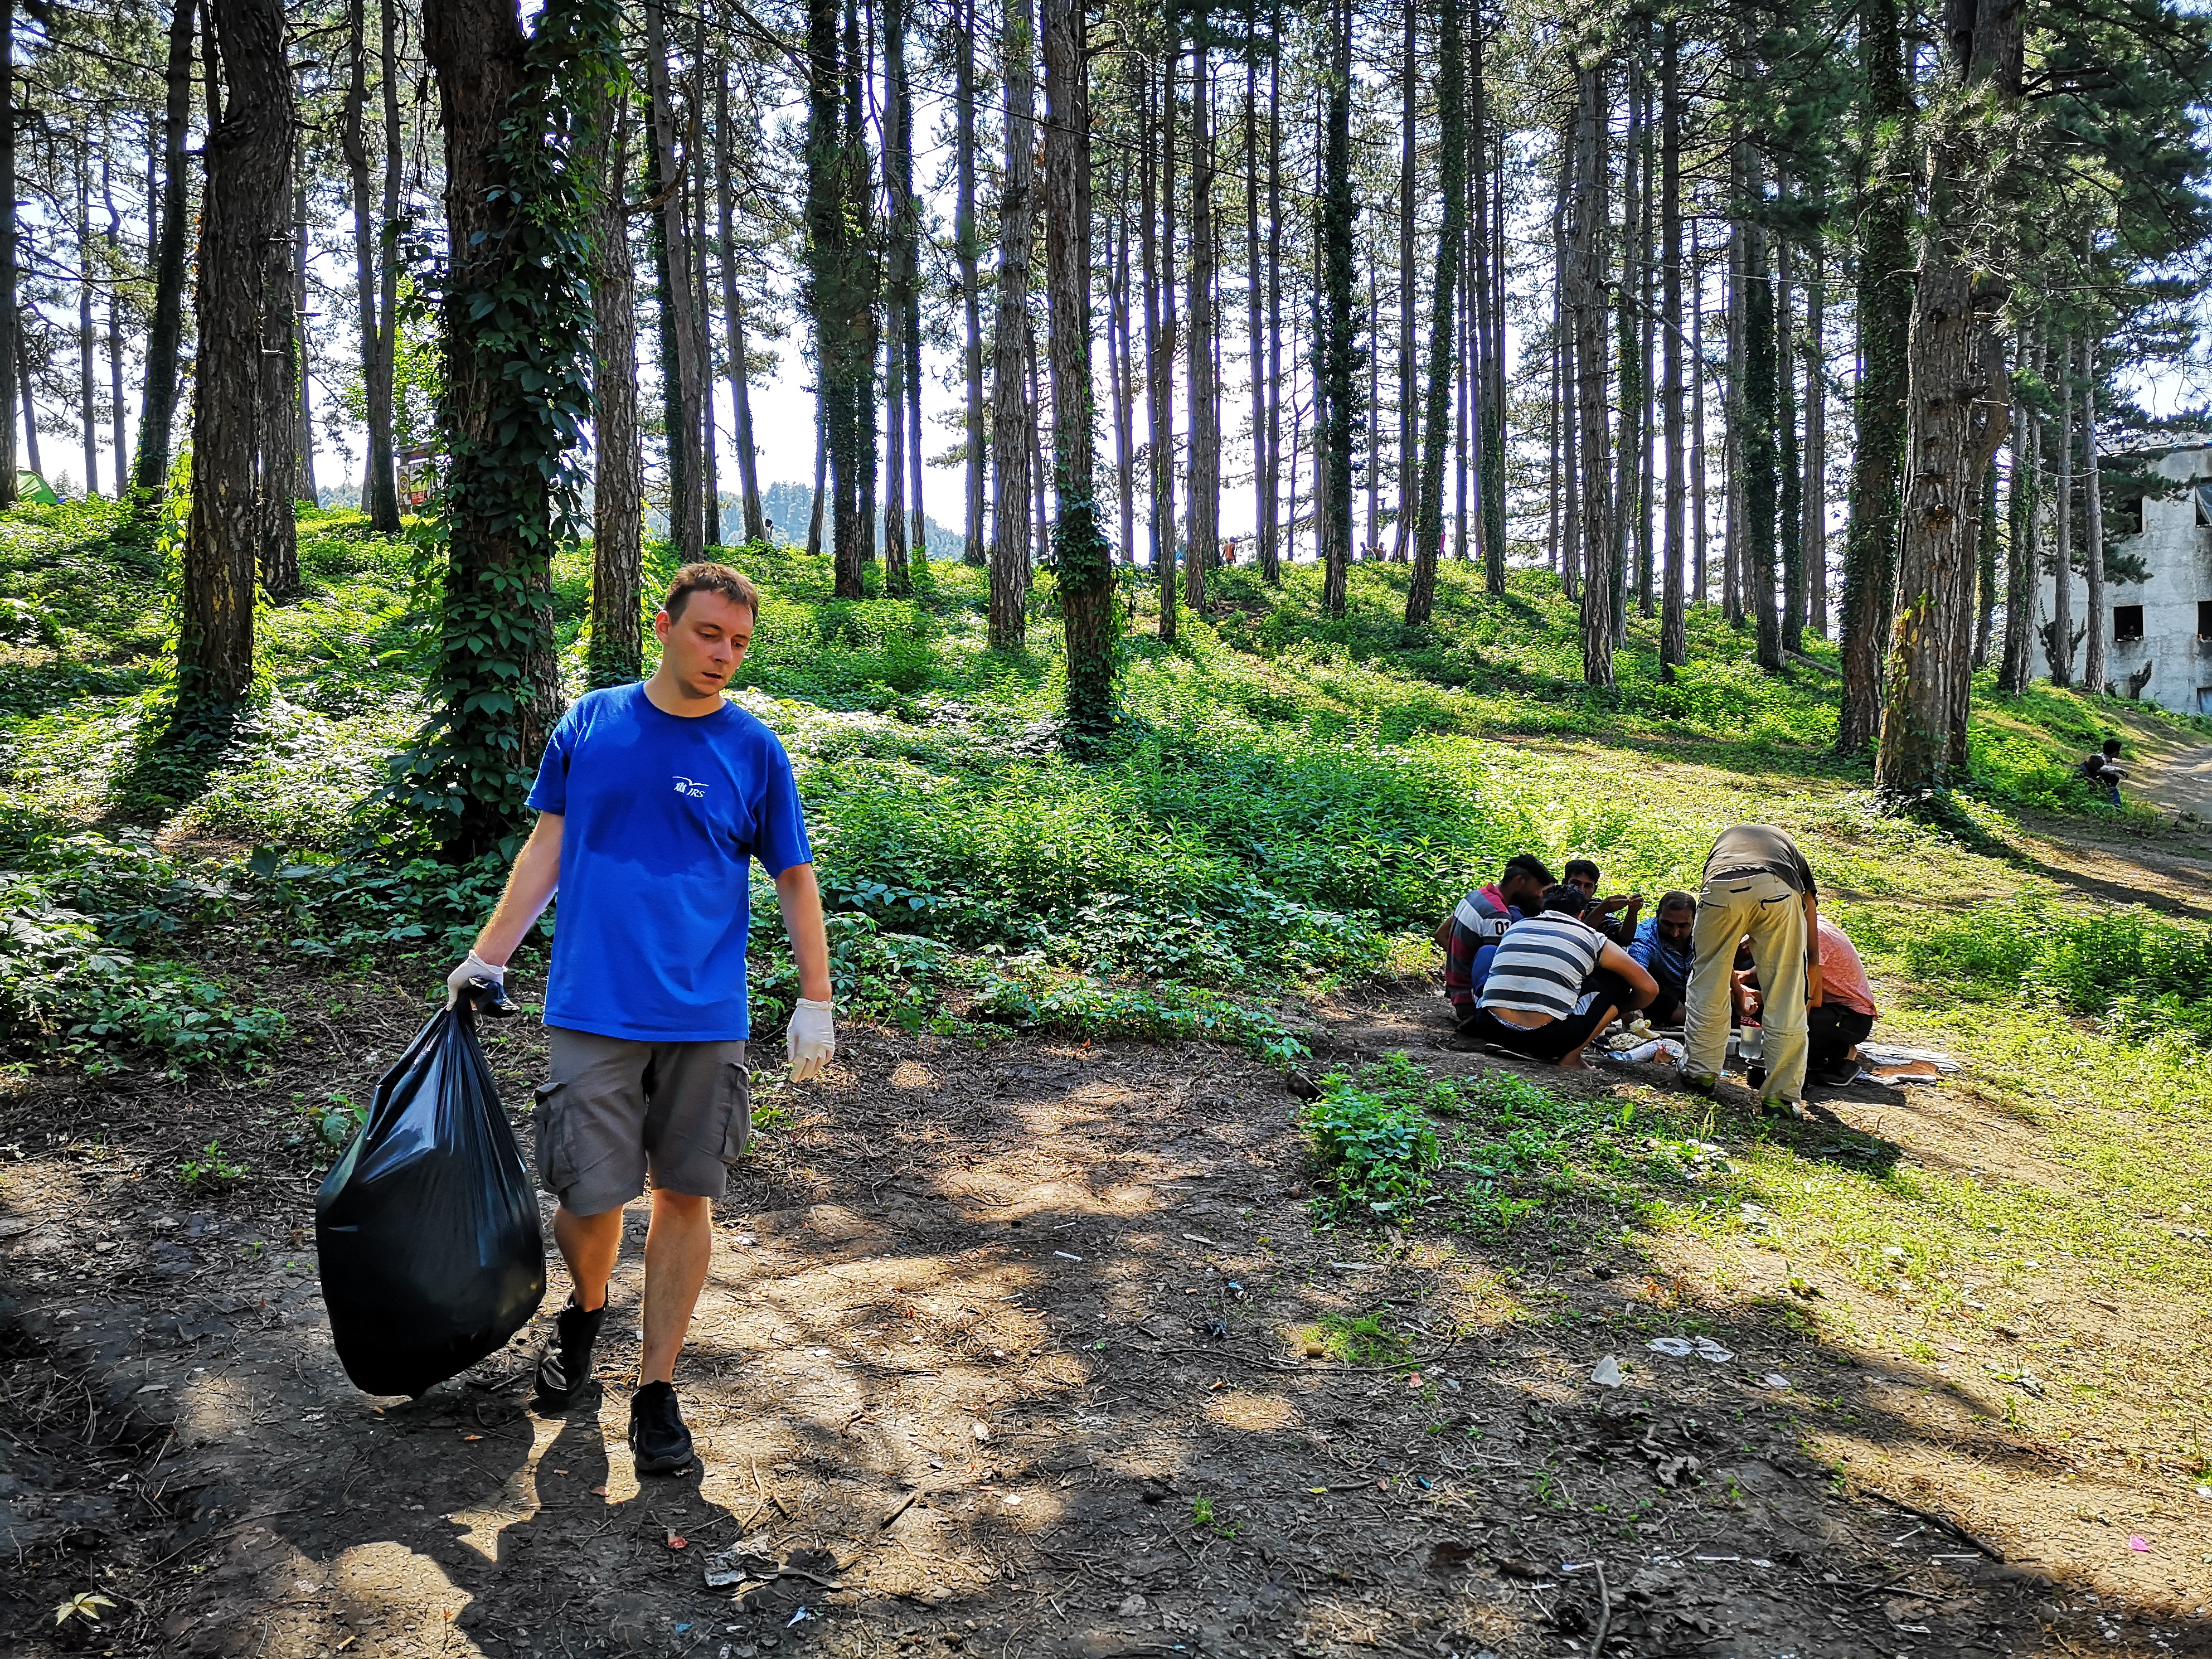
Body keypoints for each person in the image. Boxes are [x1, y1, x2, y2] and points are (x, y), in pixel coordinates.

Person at [443, 562, 837, 1477]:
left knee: (685, 1195)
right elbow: (546, 845)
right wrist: (487, 954)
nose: (723, 656)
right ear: (663, 625)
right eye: (708, 635)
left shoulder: (752, 750)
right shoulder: (591, 724)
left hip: (705, 1015)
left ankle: (655, 1388)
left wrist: (813, 998)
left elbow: (793, 878)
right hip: (593, 1003)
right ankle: (585, 1309)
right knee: (585, 1193)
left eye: (738, 643)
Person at [1679, 823, 1820, 1117]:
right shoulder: (1788, 849)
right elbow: (1808, 903)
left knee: (1708, 979)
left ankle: (1700, 1073)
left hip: (1720, 887)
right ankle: (1781, 1097)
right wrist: (1813, 963)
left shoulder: (1724, 843)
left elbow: (1718, 955)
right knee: (1785, 988)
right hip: (1778, 891)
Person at [1462, 885, 1658, 1068]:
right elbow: (1649, 988)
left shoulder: (1517, 927)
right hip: (1550, 1039)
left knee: (1487, 951)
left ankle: (1474, 1010)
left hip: (1491, 1027)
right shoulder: (1591, 937)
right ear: (1582, 914)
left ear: (1543, 907)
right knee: (1618, 979)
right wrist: (1622, 1007)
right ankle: (1572, 1058)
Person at [1437, 855, 1554, 1023]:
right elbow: (1500, 970)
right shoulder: (1498, 914)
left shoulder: (1476, 895)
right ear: (1520, 881)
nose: (1538, 896)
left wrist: (1461, 965)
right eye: (1537, 890)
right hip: (1471, 1003)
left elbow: (1441, 933)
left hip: (1459, 993)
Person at [1626, 891, 1696, 1025]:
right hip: (1664, 997)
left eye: (1683, 926)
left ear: (1695, 919)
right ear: (1658, 916)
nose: (1675, 933)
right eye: (1668, 924)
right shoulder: (1646, 937)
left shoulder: (1705, 934)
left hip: (1697, 990)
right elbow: (1635, 970)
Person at [1563, 858, 1642, 943]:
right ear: (1564, 883)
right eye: (1575, 884)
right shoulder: (1554, 903)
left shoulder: (1595, 905)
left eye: (1588, 886)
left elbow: (1623, 939)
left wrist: (1632, 912)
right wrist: (1602, 909)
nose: (1581, 890)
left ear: (1595, 889)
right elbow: (1577, 938)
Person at [2078, 738, 2124, 806]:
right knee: (2113, 788)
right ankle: (2117, 807)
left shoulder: (2104, 759)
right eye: (2118, 751)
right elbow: (2101, 768)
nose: (2119, 753)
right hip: (2091, 783)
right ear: (2114, 752)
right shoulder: (2099, 759)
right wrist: (2118, 770)